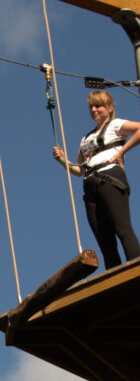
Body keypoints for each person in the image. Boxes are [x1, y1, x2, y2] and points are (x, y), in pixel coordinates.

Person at [53, 90, 140, 269]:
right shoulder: (85, 138)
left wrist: (121, 152)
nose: (94, 109)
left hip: (109, 178)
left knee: (122, 229)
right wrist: (62, 160)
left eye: (98, 105)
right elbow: (78, 169)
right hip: (90, 187)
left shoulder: (116, 125)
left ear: (110, 107)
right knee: (105, 241)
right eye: (91, 106)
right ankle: (116, 280)